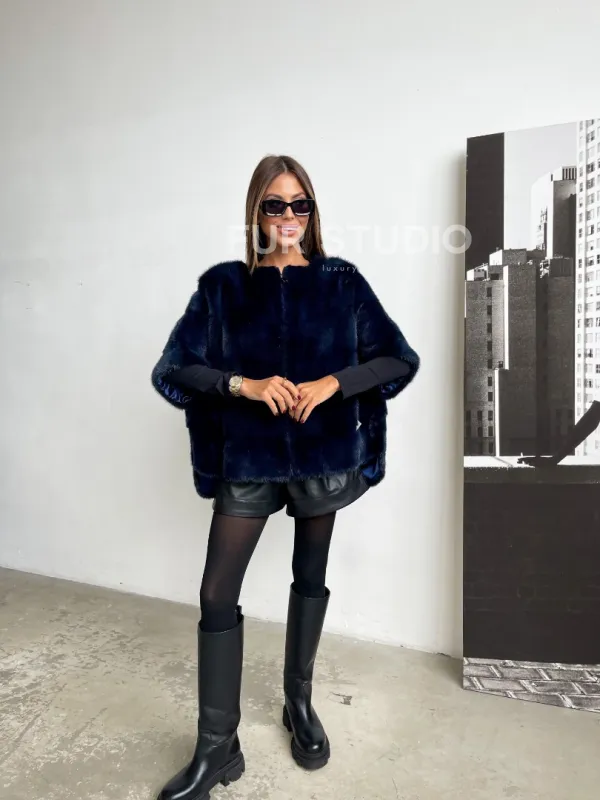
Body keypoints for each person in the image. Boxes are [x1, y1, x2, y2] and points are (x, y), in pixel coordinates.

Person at [150, 154, 420, 800]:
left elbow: (397, 358)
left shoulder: (341, 282)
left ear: (312, 211)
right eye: (276, 204)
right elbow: (174, 368)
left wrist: (334, 383)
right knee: (217, 594)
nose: (290, 216)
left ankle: (298, 702)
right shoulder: (223, 286)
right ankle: (218, 747)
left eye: (301, 204)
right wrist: (241, 385)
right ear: (256, 211)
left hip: (322, 458)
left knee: (309, 575)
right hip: (248, 459)